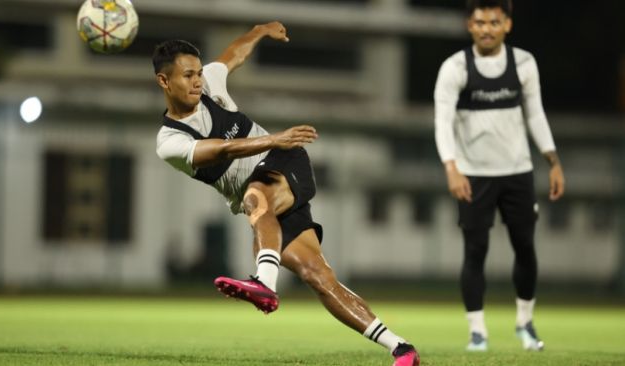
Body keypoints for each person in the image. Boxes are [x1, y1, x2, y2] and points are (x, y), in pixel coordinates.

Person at [153, 21, 420, 366]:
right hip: (267, 188)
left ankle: (264, 282)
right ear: (164, 81)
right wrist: (272, 137)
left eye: (199, 73)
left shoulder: (210, 84)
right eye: (188, 76)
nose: (198, 81)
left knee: (255, 194)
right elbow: (221, 149)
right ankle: (401, 348)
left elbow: (235, 54)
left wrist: (260, 31)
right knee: (318, 276)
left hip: (285, 162)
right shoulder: (169, 142)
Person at [433, 0, 565, 352]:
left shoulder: (524, 63)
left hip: (518, 173)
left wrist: (552, 161)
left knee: (525, 247)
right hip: (474, 176)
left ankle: (525, 323)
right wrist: (452, 166)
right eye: (479, 22)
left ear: (507, 24)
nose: (486, 28)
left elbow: (535, 115)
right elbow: (442, 122)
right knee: (475, 251)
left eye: (494, 21)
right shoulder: (455, 68)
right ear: (469, 25)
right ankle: (478, 332)